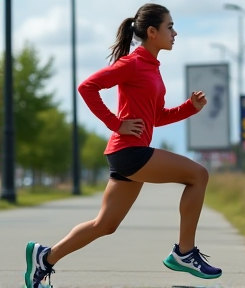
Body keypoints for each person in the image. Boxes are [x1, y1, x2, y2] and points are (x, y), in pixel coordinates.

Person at [24, 3, 222, 288]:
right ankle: (184, 253)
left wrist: (190, 108)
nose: (175, 33)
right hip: (129, 153)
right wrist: (116, 124)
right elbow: (87, 87)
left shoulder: (152, 68)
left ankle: (45, 258)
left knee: (105, 225)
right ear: (152, 32)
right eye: (170, 27)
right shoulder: (133, 63)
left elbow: (155, 118)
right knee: (198, 174)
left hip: (127, 154)